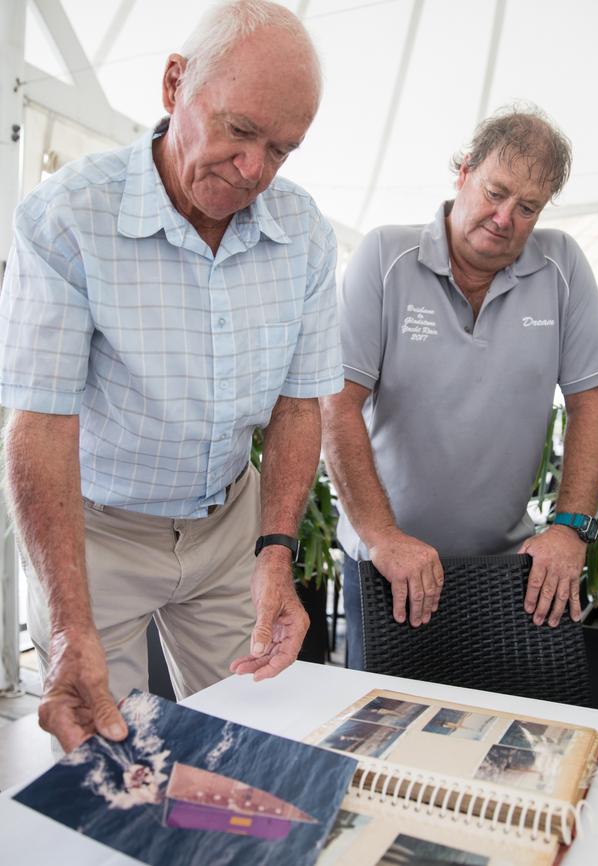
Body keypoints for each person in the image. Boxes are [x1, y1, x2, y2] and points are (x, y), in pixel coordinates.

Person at [0, 0, 343, 751]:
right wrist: (68, 622)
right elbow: (40, 423)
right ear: (174, 85)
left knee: (253, 745)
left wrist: (276, 552)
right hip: (94, 531)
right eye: (240, 130)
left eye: (281, 149)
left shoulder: (305, 233)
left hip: (229, 527)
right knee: (107, 759)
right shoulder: (66, 219)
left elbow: (297, 404)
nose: (255, 169)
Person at [320, 106, 598, 670]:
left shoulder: (561, 266)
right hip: (386, 564)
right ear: (463, 172)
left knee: (503, 743)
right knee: (383, 736)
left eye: (527, 207)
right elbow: (336, 405)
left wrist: (569, 529)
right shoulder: (385, 258)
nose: (505, 217)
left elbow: (592, 403)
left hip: (507, 572)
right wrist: (383, 536)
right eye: (495, 191)